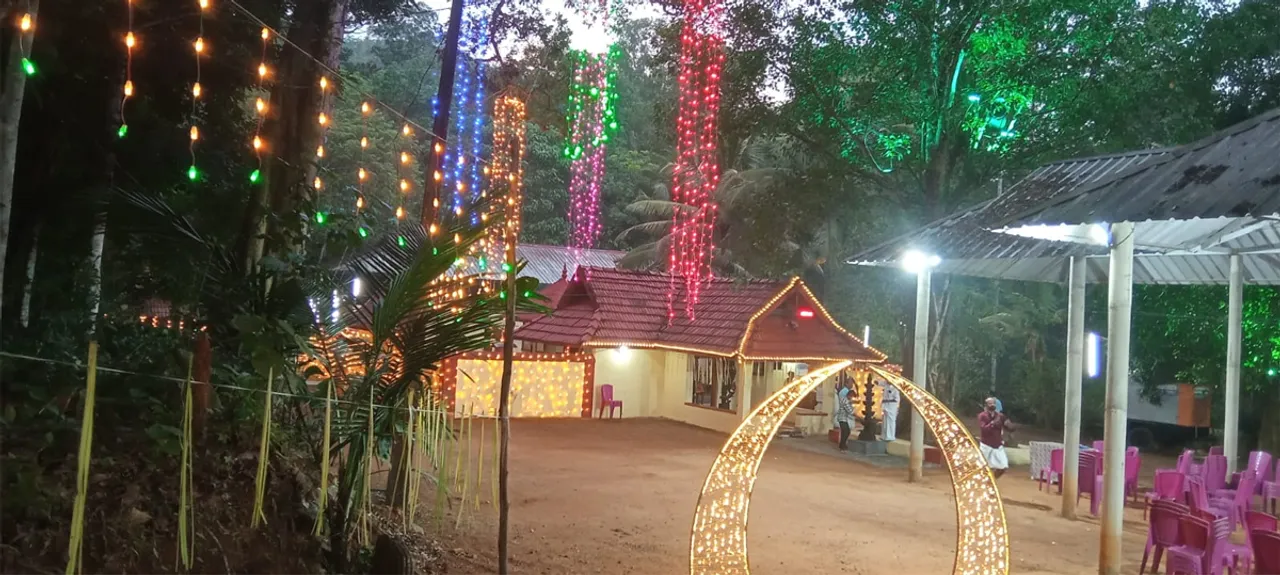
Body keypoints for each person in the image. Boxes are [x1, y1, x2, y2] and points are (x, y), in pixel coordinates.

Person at [978, 397, 1015, 478]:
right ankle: (980, 482)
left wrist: (1010, 427)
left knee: (1003, 466)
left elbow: (1009, 426)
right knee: (981, 467)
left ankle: (992, 480)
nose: (992, 405)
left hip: (998, 446)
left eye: (994, 403)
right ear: (986, 405)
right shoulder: (982, 416)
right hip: (986, 446)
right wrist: (993, 423)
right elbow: (984, 429)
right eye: (990, 403)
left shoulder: (1000, 416)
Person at [835, 379, 855, 451]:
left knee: (846, 431)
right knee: (846, 431)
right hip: (842, 417)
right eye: (851, 383)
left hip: (843, 417)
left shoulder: (845, 398)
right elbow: (850, 411)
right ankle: (842, 446)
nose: (852, 385)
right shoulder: (845, 398)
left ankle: (843, 445)